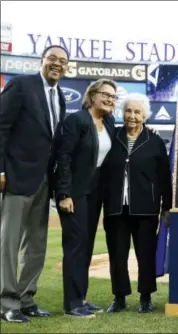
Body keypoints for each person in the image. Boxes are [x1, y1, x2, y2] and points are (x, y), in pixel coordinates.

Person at [0, 45, 68, 323]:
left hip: (44, 179)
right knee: (9, 241)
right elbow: (1, 127)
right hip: (17, 175)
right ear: (41, 61)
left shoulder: (60, 96)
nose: (57, 64)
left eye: (62, 61)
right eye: (52, 58)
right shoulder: (22, 85)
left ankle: (26, 298)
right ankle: (7, 302)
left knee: (36, 243)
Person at [101, 93, 172, 313]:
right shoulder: (111, 137)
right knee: (118, 255)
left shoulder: (155, 141)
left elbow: (164, 177)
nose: (132, 116)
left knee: (146, 254)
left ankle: (145, 297)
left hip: (146, 208)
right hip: (115, 208)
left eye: (137, 112)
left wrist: (166, 207)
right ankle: (119, 297)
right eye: (129, 111)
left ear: (145, 115)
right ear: (122, 113)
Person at [54, 79, 116, 318]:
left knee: (87, 246)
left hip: (95, 194)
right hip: (75, 194)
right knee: (75, 246)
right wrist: (64, 193)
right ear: (92, 95)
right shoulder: (77, 120)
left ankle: (81, 298)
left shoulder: (108, 121)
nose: (110, 99)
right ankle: (72, 304)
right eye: (105, 94)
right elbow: (64, 158)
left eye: (113, 96)